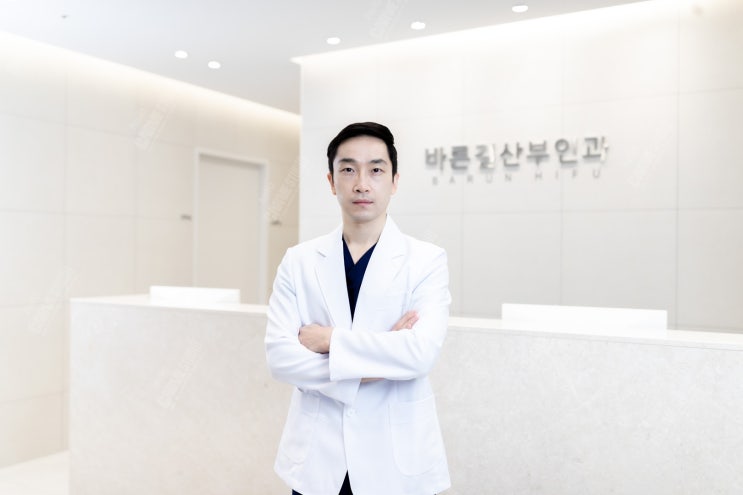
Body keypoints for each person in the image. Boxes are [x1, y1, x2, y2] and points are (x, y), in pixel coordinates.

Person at [265, 122, 451, 495]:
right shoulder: (299, 261)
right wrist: (377, 364)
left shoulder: (426, 260)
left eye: (376, 170)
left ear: (394, 181)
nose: (362, 184)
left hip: (395, 462)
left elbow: (419, 354)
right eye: (348, 169)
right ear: (331, 181)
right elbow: (281, 358)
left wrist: (329, 340)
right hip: (319, 459)